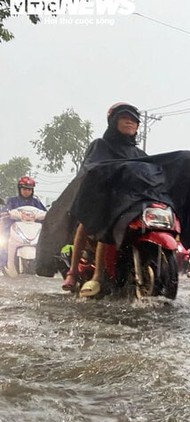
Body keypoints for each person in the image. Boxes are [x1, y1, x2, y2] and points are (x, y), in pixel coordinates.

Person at [61, 102, 147, 296]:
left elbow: (150, 175)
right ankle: (79, 273)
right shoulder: (100, 145)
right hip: (101, 198)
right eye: (125, 118)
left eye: (134, 120)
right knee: (93, 220)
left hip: (129, 203)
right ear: (113, 121)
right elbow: (90, 169)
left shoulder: (139, 154)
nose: (130, 122)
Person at [0, 177, 47, 272]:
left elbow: (44, 212)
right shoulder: (12, 201)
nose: (26, 191)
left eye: (29, 189)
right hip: (13, 229)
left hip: (31, 231)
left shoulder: (36, 202)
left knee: (46, 242)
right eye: (24, 189)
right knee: (3, 243)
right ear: (19, 189)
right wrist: (7, 213)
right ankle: (3, 264)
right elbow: (5, 211)